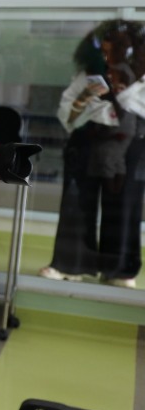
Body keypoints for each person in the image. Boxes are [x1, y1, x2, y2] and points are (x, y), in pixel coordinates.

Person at [41, 19, 145, 286]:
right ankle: (71, 264)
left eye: (114, 50)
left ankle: (120, 269)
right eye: (103, 50)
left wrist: (124, 93)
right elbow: (67, 112)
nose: (107, 57)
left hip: (129, 146)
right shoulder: (88, 75)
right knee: (77, 202)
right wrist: (86, 98)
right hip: (87, 142)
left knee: (125, 205)